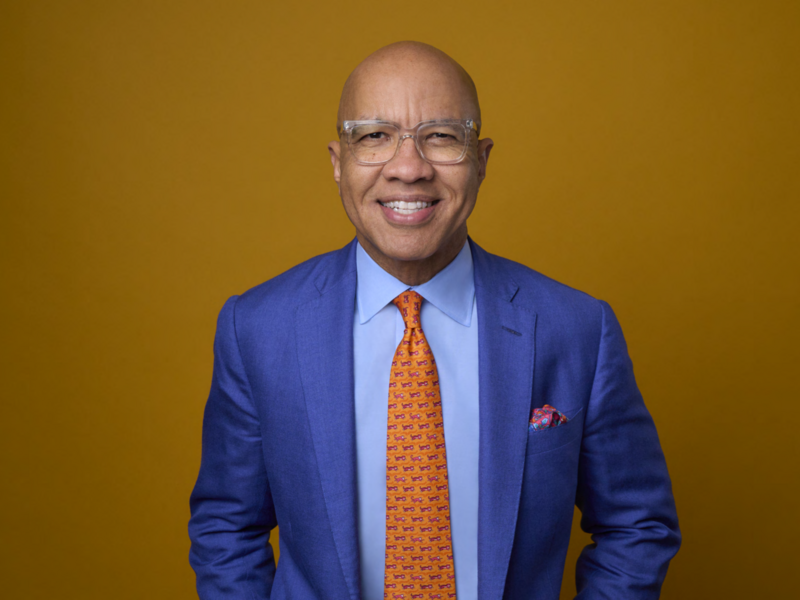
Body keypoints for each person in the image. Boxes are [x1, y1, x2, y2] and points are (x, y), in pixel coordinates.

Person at [188, 41, 680, 600]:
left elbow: (636, 526)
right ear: (337, 162)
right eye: (374, 136)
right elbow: (227, 526)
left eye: (442, 136)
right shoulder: (258, 329)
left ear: (482, 159)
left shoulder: (576, 330)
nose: (408, 168)